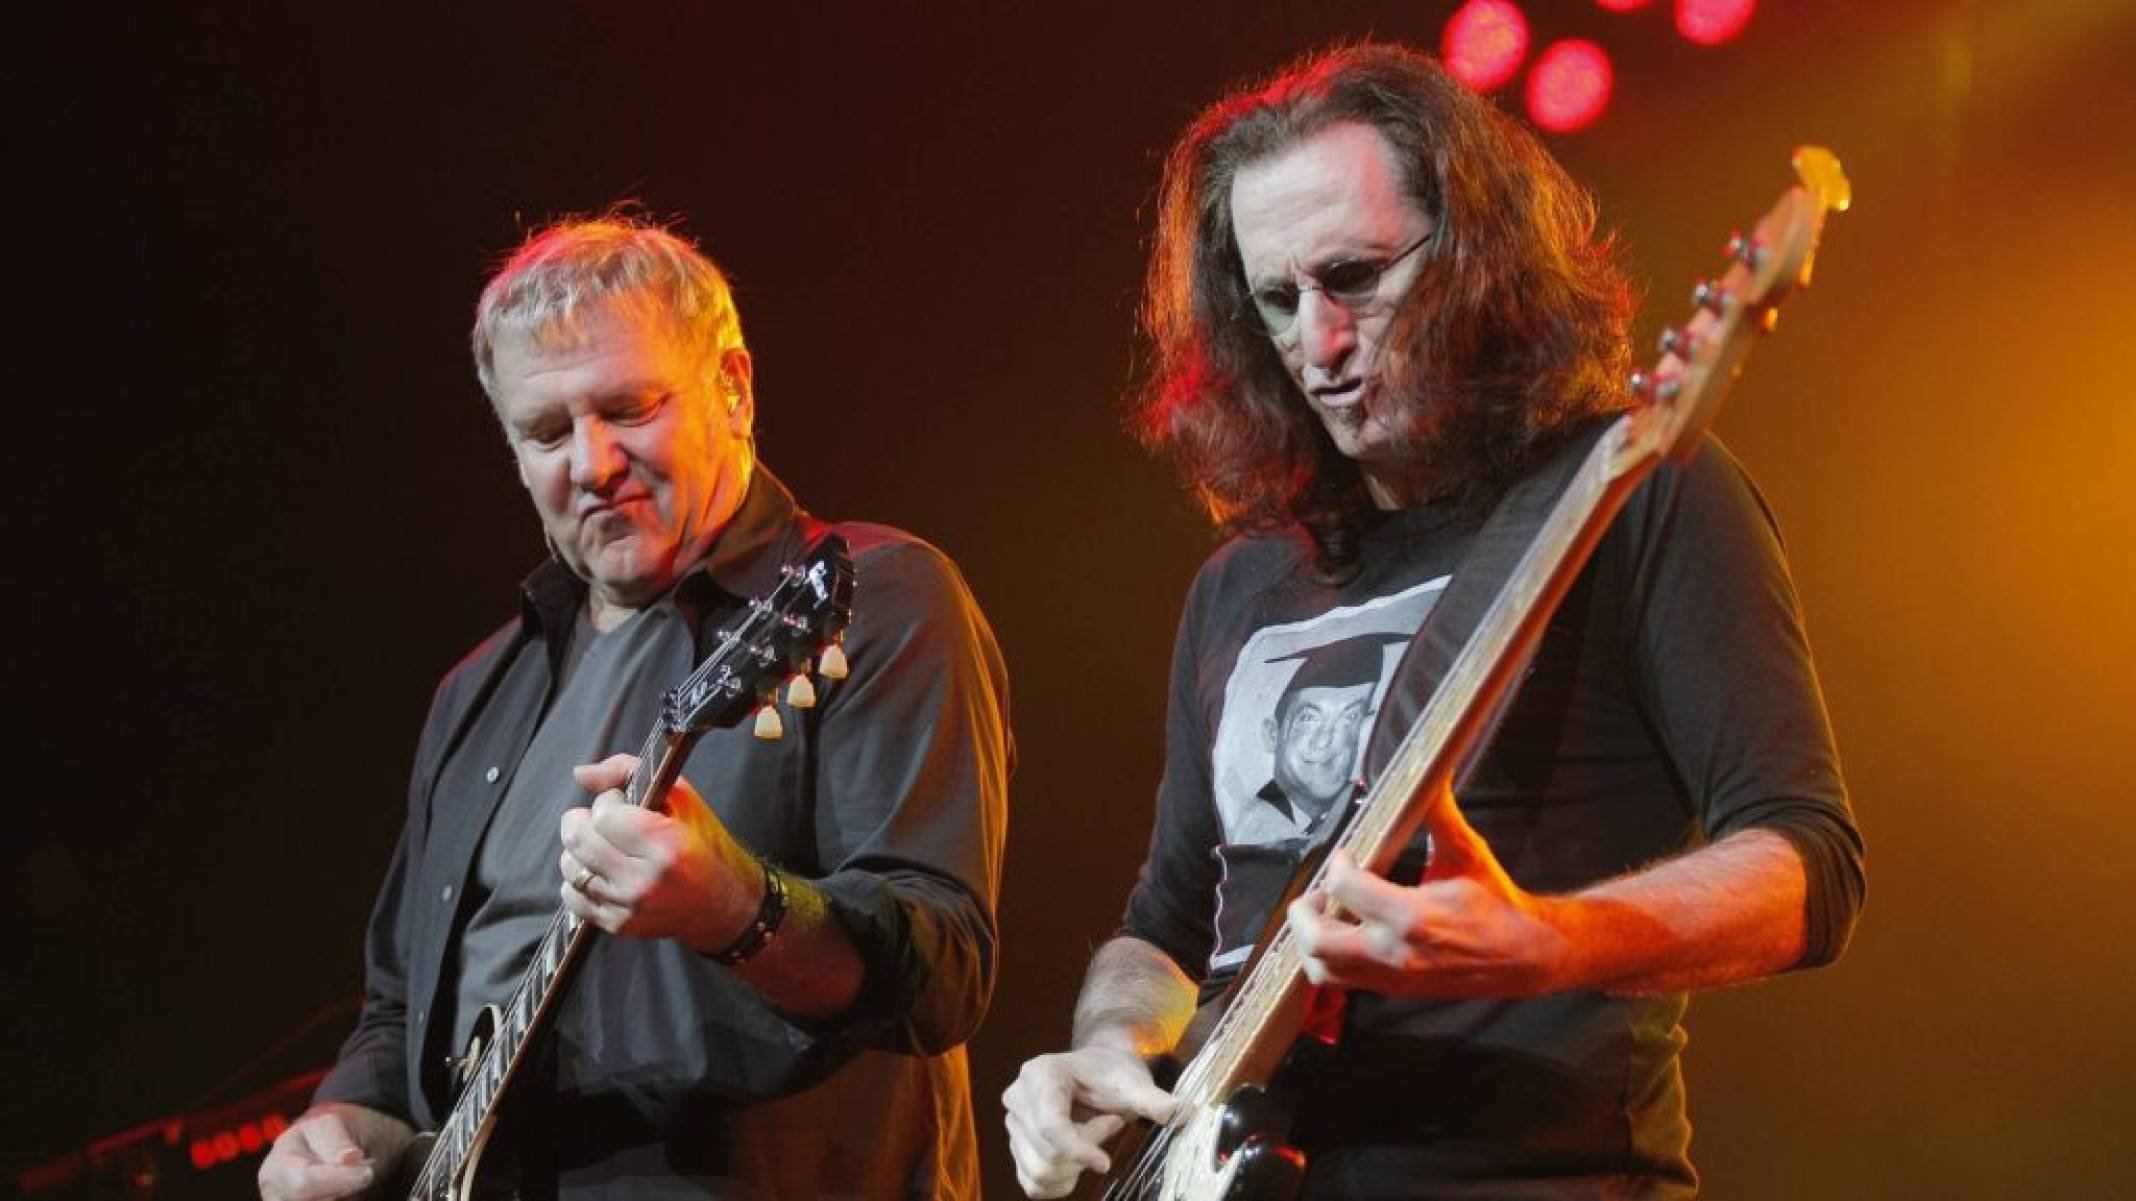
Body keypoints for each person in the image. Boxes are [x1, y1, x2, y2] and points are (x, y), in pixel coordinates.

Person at [1002, 43, 1863, 1199]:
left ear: (1473, 256)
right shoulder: (1240, 585)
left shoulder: (1637, 493)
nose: (1319, 342)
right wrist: (1111, 1046)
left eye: (1354, 278)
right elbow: (1164, 925)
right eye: (1277, 301)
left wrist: (1549, 940)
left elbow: (1808, 862)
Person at [259, 215, 1011, 1200]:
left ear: (733, 390)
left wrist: (735, 904)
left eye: (627, 407)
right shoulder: (475, 691)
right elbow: (399, 1007)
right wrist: (346, 1119)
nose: (593, 462)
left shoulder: (874, 597)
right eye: (546, 432)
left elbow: (945, 969)